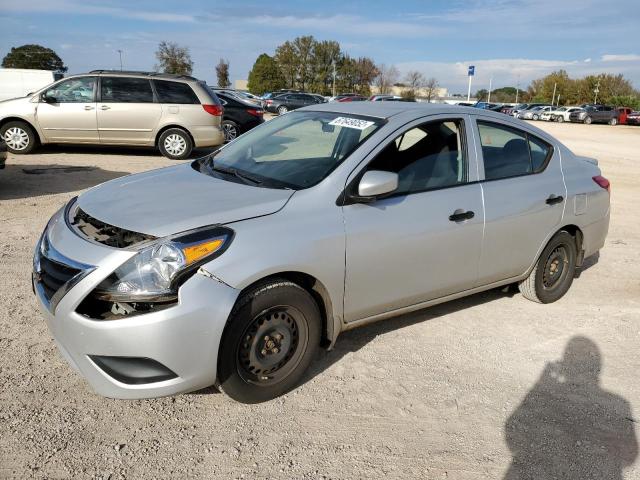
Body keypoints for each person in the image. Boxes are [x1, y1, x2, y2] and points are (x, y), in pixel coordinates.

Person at [504, 336, 638, 479]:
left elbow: (513, 432)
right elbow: (630, 455)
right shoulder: (619, 404)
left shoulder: (619, 404)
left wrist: (541, 384)